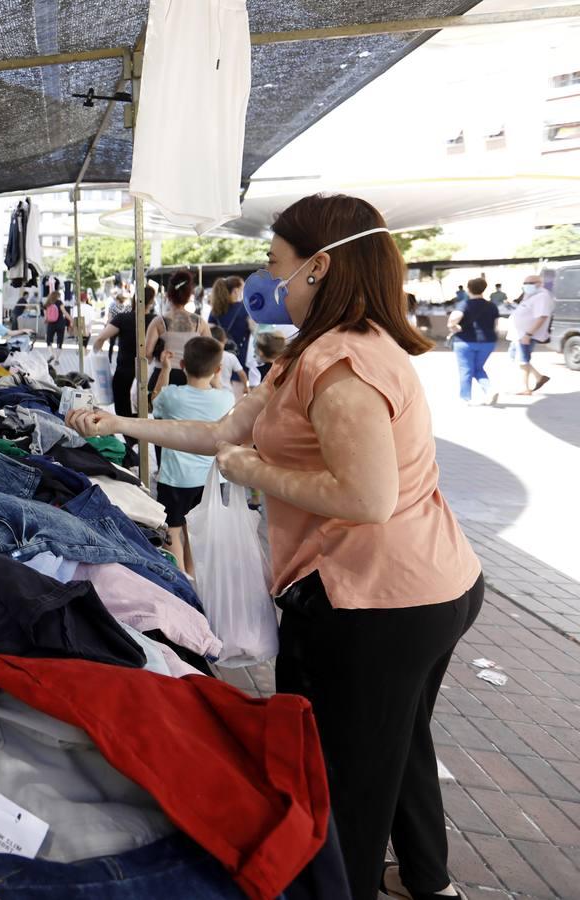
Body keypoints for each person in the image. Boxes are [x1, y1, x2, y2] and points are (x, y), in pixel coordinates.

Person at [68, 193, 482, 900]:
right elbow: (220, 434)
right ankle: (426, 879)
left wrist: (255, 472)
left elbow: (366, 498)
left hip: (377, 600)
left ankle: (338, 887)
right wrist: (117, 422)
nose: (271, 280)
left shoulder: (343, 364)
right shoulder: (309, 356)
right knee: (401, 741)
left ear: (320, 267)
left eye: (277, 265)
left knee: (340, 777)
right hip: (428, 586)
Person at [148, 337, 235, 577]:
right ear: (218, 369)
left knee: (172, 529)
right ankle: (195, 577)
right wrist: (216, 378)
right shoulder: (226, 398)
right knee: (195, 530)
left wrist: (165, 369)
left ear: (183, 365)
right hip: (210, 480)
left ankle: (180, 579)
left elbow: (154, 401)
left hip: (176, 478)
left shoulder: (172, 396)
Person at [91, 286, 158, 419]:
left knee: (124, 419)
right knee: (145, 420)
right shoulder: (157, 321)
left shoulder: (122, 318)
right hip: (149, 377)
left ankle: (131, 441)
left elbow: (100, 338)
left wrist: (94, 355)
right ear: (151, 301)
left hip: (124, 377)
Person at [144, 268, 210, 393]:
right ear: (189, 295)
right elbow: (210, 353)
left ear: (169, 294)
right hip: (191, 379)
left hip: (163, 377)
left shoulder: (159, 322)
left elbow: (147, 353)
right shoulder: (200, 323)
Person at [448, 277, 499, 406]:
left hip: (465, 341)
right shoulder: (492, 306)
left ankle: (465, 397)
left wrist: (452, 326)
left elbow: (455, 317)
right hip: (488, 341)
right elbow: (496, 325)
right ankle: (489, 390)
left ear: (468, 289)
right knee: (477, 368)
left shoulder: (464, 304)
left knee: (466, 369)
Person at [509, 270, 555, 395]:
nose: (527, 285)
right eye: (525, 283)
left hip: (526, 335)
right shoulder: (530, 295)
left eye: (530, 283)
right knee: (514, 357)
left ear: (539, 283)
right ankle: (539, 377)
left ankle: (525, 388)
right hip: (519, 334)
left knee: (522, 360)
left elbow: (542, 316)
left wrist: (528, 334)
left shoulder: (542, 296)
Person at [208, 275, 251, 371]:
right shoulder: (245, 308)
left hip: (220, 356)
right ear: (236, 291)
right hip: (241, 355)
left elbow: (209, 333)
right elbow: (254, 330)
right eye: (243, 289)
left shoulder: (215, 310)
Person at [210, 324, 246, 396]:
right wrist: (246, 386)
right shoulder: (230, 357)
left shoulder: (205, 357)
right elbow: (242, 374)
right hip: (227, 392)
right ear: (225, 340)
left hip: (210, 392)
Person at [105, 285, 130, 363]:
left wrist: (107, 327)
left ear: (118, 300)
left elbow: (109, 318)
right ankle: (122, 360)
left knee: (111, 344)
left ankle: (109, 359)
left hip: (113, 327)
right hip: (124, 328)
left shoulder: (113, 308)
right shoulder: (128, 308)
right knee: (121, 345)